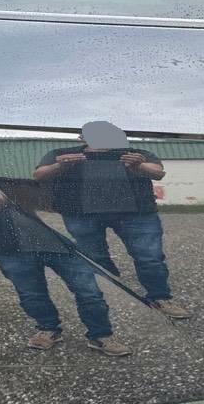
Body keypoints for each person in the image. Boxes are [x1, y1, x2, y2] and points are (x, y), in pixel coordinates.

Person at [34, 121, 192, 319]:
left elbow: (158, 173)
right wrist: (60, 165)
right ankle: (113, 296)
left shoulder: (134, 153)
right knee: (95, 258)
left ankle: (160, 298)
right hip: (81, 214)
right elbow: (39, 175)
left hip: (136, 213)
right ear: (81, 137)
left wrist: (139, 165)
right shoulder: (63, 154)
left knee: (149, 257)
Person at [0, 187, 133, 356]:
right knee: (31, 294)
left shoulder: (46, 185)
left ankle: (101, 335)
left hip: (62, 247)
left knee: (89, 292)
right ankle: (48, 329)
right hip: (12, 252)